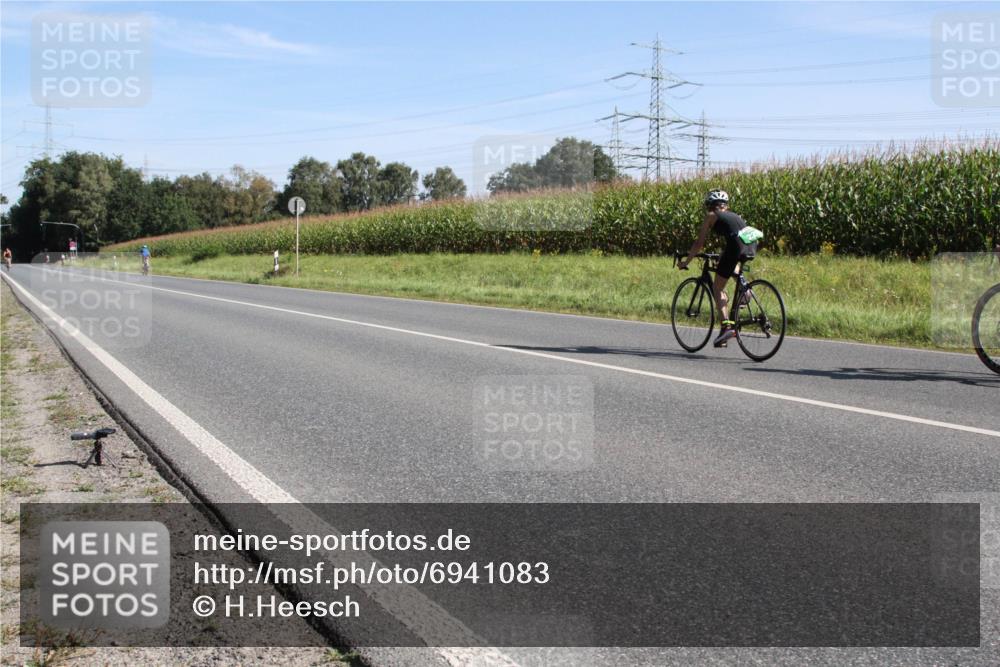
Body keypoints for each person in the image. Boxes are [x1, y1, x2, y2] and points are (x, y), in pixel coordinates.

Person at [678, 190, 757, 347]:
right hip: (751, 245)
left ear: (710, 206)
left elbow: (698, 244)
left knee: (717, 287)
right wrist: (722, 256)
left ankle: (726, 326)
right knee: (729, 264)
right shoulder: (734, 216)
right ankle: (746, 291)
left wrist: (686, 262)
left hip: (736, 246)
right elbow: (735, 238)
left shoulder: (711, 216)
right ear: (725, 206)